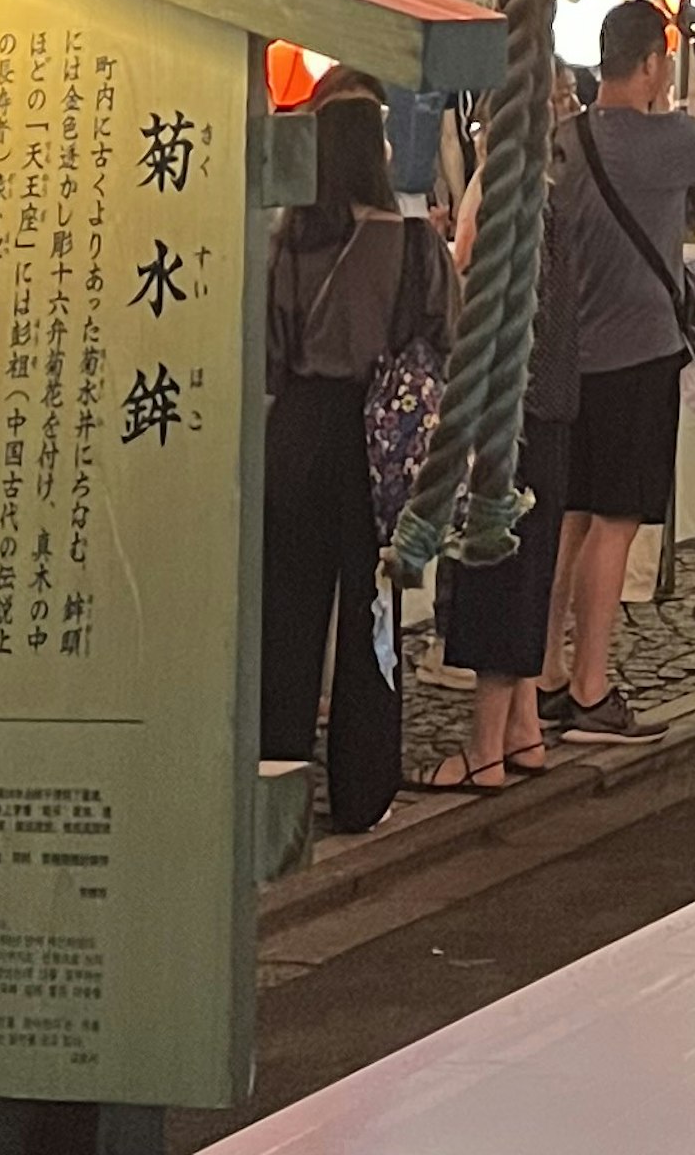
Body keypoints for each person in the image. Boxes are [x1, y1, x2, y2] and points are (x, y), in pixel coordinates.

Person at [547, 0, 695, 738]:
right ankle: (594, 687)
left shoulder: (567, 140)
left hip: (576, 356)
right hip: (638, 354)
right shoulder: (656, 140)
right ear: (655, 64)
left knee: (570, 516)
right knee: (617, 520)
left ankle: (547, 672)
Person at [262, 81, 456, 833]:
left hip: (300, 431)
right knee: (373, 614)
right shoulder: (412, 242)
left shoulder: (290, 240)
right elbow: (446, 335)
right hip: (380, 438)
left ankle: (276, 783)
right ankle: (362, 785)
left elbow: (270, 352)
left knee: (289, 617)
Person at [428, 92, 578, 789]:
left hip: (503, 409)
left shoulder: (502, 194)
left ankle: (484, 746)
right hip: (550, 405)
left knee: (497, 572)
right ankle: (523, 727)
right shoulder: (550, 196)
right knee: (532, 566)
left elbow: (475, 294)